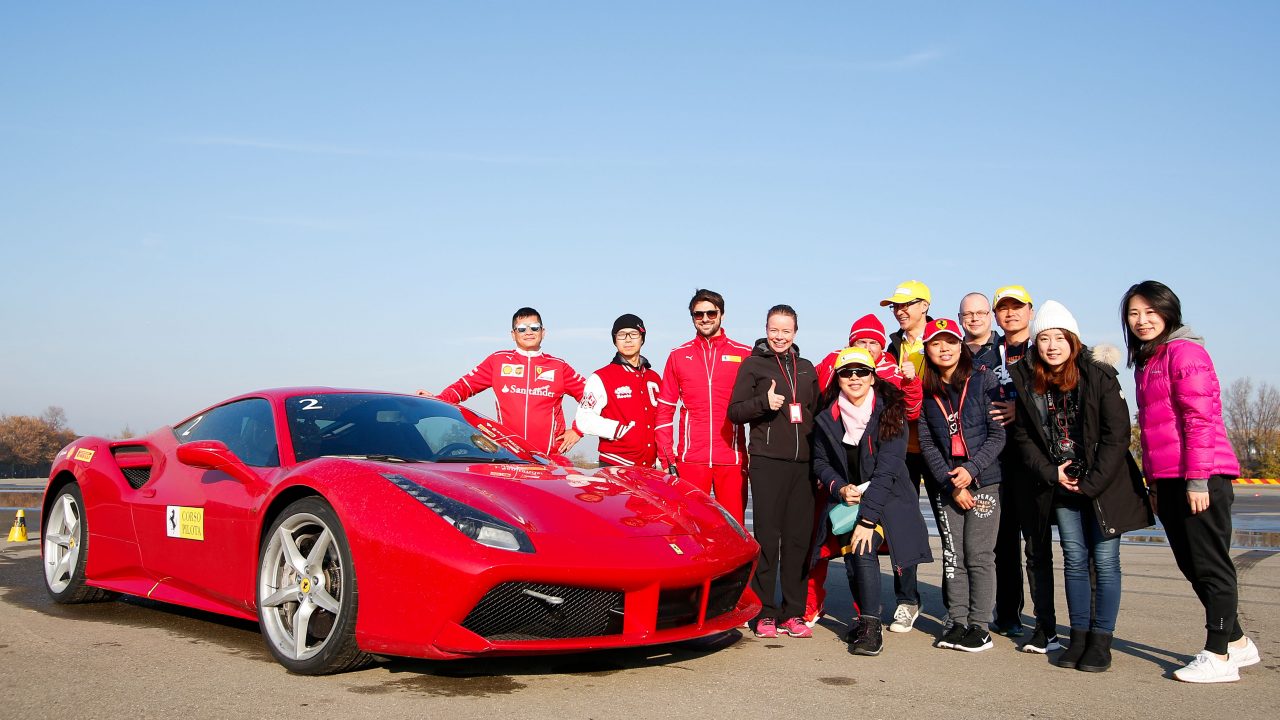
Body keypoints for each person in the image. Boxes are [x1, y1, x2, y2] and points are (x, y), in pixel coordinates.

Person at [1122, 280, 1258, 683]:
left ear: (1169, 312)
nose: (1142, 321)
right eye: (1133, 313)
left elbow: (1199, 420)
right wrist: (1155, 484)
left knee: (1210, 564)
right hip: (1170, 478)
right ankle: (1236, 642)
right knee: (1190, 563)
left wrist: (1197, 481)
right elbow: (1153, 430)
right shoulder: (1150, 359)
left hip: (1201, 476)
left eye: (1150, 311)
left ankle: (1217, 655)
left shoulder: (1185, 352)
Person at [1009, 301, 1153, 672]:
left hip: (1103, 485)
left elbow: (1117, 436)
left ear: (1073, 341)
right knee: (1074, 560)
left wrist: (1090, 484)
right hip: (1059, 484)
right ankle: (1078, 638)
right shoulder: (1028, 379)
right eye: (1044, 338)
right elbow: (1024, 436)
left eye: (1059, 337)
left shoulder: (1099, 374)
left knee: (1105, 561)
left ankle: (1101, 641)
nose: (1051, 345)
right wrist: (1052, 472)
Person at [803, 313, 922, 627]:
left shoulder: (893, 373)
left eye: (873, 343)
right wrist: (835, 483)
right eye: (861, 342)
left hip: (885, 474)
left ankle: (902, 603)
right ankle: (819, 604)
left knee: (894, 539)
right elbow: (813, 405)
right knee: (833, 541)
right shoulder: (834, 368)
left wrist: (911, 381)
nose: (867, 348)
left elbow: (910, 408)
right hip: (845, 477)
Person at [728, 304, 820, 639]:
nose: (779, 336)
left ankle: (792, 612)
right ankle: (764, 612)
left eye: (786, 330)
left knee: (798, 541)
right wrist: (764, 404)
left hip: (805, 466)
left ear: (795, 332)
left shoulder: (807, 369)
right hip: (767, 462)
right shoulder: (753, 365)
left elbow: (819, 415)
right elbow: (735, 412)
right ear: (766, 329)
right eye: (774, 329)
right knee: (768, 538)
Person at [917, 317, 1006, 652]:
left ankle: (979, 626)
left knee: (979, 555)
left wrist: (970, 471)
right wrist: (952, 483)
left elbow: (998, 435)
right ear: (927, 349)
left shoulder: (984, 381)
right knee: (953, 555)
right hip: (948, 485)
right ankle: (956, 621)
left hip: (984, 480)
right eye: (936, 343)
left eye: (951, 342)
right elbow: (927, 444)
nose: (944, 348)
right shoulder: (926, 393)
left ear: (961, 346)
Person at [425, 307, 586, 455]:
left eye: (534, 327)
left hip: (549, 457)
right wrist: (436, 400)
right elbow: (464, 386)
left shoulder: (558, 366)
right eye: (522, 329)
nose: (528, 332)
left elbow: (593, 396)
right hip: (509, 456)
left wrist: (578, 430)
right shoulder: (498, 361)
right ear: (513, 334)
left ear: (543, 332)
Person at [963, 288, 1029, 639]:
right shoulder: (953, 351)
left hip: (1007, 457)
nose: (974, 319)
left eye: (980, 313)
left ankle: (1009, 613)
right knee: (966, 545)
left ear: (989, 316)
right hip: (965, 460)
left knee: (1005, 541)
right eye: (967, 314)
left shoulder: (1005, 351)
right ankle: (964, 612)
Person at [656, 289, 752, 524]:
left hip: (731, 459)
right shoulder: (678, 356)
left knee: (734, 528)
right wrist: (667, 458)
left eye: (711, 312)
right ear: (692, 317)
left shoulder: (744, 354)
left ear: (722, 314)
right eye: (698, 314)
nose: (705, 318)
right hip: (691, 460)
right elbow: (665, 410)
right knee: (689, 526)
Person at [880, 280, 934, 633]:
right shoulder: (892, 345)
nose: (900, 311)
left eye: (906, 305)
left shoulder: (944, 339)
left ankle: (964, 606)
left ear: (924, 305)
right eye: (895, 306)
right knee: (901, 525)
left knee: (952, 529)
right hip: (904, 447)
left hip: (940, 446)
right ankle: (907, 599)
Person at [573, 314, 663, 467]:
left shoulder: (654, 377)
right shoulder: (601, 377)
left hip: (650, 466)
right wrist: (620, 430)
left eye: (633, 334)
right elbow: (584, 419)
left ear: (642, 337)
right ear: (615, 340)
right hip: (615, 465)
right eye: (621, 335)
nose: (628, 339)